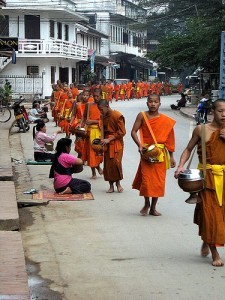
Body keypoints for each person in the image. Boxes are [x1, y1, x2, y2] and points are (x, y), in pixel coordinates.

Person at [174, 99, 225, 267]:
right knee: (210, 215)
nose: (224, 114)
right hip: (207, 179)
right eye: (220, 111)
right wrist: (181, 166)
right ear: (212, 111)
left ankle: (207, 239)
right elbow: (188, 149)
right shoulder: (201, 130)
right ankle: (215, 252)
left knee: (220, 217)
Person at [131, 94, 176, 216]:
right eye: (150, 101)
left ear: (159, 104)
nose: (153, 104)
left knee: (158, 181)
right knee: (146, 180)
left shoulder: (166, 121)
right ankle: (146, 203)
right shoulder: (142, 116)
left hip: (160, 154)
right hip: (146, 153)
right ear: (147, 103)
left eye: (155, 102)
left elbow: (170, 140)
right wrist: (139, 145)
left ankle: (153, 207)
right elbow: (133, 131)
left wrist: (171, 156)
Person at [97, 99, 126, 193]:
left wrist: (109, 139)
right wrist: (101, 140)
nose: (101, 112)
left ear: (107, 106)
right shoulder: (103, 116)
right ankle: (111, 185)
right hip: (106, 143)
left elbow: (122, 132)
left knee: (116, 163)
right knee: (108, 164)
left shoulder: (117, 115)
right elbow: (103, 130)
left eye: (101, 109)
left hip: (116, 143)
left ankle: (118, 184)